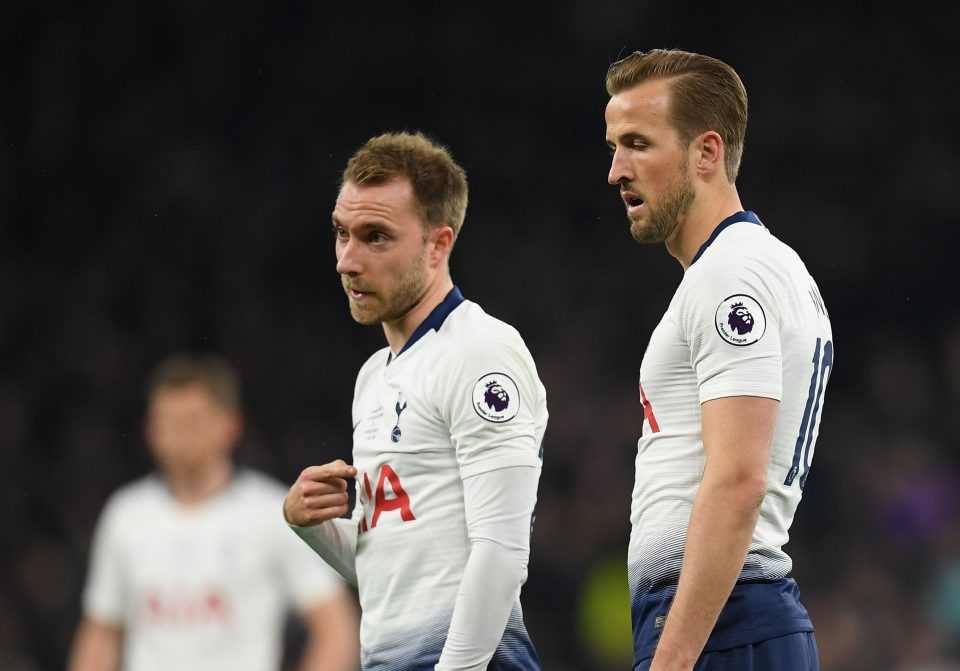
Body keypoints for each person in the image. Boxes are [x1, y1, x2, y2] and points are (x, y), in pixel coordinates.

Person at [282, 131, 548, 670]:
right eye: (342, 234)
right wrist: (309, 527)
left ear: (438, 244)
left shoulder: (479, 351)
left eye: (375, 236)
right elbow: (396, 574)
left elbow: (501, 552)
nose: (346, 261)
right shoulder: (373, 378)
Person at [604, 49, 833, 671]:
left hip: (722, 624)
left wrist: (673, 659)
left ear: (706, 153)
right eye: (613, 147)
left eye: (637, 144)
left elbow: (737, 479)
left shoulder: (732, 275)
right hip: (729, 621)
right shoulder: (758, 266)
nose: (616, 171)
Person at [68, 353, 360, 671]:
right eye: (168, 423)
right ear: (150, 429)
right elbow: (101, 633)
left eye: (192, 422)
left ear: (230, 425)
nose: (179, 437)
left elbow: (336, 630)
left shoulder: (273, 513)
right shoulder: (126, 515)